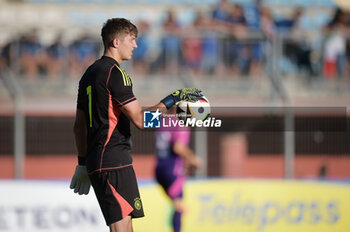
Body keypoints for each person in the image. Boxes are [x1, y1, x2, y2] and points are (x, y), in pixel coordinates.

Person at [69, 18, 203, 232]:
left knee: (127, 226)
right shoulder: (116, 74)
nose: (135, 45)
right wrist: (172, 99)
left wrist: (83, 163)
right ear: (115, 42)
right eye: (131, 40)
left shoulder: (88, 74)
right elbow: (142, 121)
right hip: (113, 161)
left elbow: (78, 126)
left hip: (104, 161)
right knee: (121, 228)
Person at [155, 112, 202, 232]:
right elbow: (179, 147)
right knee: (179, 206)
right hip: (172, 169)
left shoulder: (164, 121)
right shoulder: (180, 122)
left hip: (159, 168)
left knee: (177, 204)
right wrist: (193, 159)